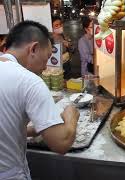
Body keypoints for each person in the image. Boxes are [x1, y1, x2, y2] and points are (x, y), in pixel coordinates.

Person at [0, 21, 79, 179]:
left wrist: (30, 130)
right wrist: (71, 117)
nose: (45, 66)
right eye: (47, 57)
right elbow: (61, 144)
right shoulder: (29, 81)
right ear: (34, 48)